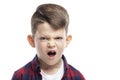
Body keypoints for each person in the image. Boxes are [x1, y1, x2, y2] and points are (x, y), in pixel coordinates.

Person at [12, 3, 85, 80]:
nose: (51, 44)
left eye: (58, 38)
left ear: (67, 40)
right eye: (44, 38)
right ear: (32, 41)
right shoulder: (20, 76)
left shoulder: (77, 77)